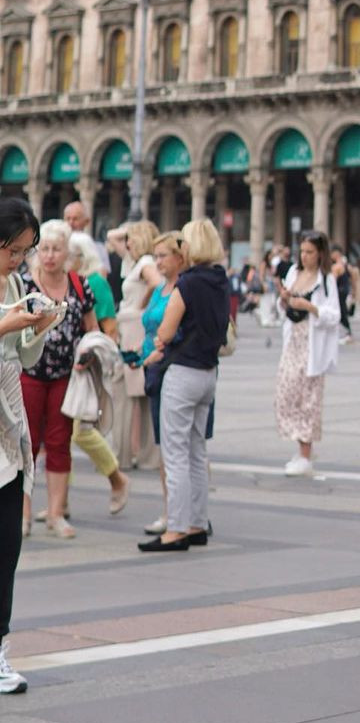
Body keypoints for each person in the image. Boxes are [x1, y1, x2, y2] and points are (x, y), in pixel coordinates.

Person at [139, 219, 230, 552]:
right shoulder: (221, 280)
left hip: (182, 371)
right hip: (209, 373)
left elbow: (165, 331)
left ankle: (176, 529)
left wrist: (161, 339)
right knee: (196, 452)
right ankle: (197, 523)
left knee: (175, 454)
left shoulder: (188, 284)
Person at [0, 200, 60, 694]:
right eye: (12, 250)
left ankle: (0, 651)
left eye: (25, 251)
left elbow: (26, 355)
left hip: (9, 424)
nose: (18, 260)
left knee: (7, 544)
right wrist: (7, 325)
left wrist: (38, 328)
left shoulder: (18, 286)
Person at [18, 221, 100, 538]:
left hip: (67, 375)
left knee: (59, 443)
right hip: (30, 373)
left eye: (56, 249)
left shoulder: (80, 285)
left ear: (68, 252)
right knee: (28, 445)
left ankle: (55, 514)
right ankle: (23, 513)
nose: (50, 256)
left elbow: (92, 330)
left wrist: (89, 354)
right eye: (44, 249)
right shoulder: (24, 284)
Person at [64, 232, 129, 517]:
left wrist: (98, 359)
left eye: (67, 254)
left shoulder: (95, 283)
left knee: (81, 432)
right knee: (61, 435)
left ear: (81, 257)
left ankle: (116, 477)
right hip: (61, 366)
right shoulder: (57, 280)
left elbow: (109, 328)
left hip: (87, 366)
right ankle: (60, 501)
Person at [273, 229, 340, 477]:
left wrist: (311, 307)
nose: (305, 256)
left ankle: (305, 452)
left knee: (309, 399)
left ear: (320, 253)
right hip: (293, 342)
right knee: (286, 393)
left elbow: (334, 315)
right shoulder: (293, 272)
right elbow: (285, 308)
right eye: (302, 251)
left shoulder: (326, 279)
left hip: (312, 345)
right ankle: (300, 444)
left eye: (310, 252)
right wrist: (284, 299)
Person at [139, 232, 185, 536]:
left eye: (162, 256)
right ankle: (170, 508)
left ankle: (178, 513)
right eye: (155, 256)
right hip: (152, 370)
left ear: (179, 258)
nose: (157, 262)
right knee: (162, 447)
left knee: (176, 448)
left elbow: (182, 332)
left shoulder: (181, 290)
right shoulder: (161, 288)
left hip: (169, 368)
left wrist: (158, 353)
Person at [114, 220, 162, 470]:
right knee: (136, 391)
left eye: (131, 237)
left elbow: (155, 283)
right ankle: (140, 452)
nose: (127, 242)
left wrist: (141, 305)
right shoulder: (133, 262)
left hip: (134, 325)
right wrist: (128, 230)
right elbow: (113, 237)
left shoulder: (145, 263)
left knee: (133, 389)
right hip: (130, 325)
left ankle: (139, 452)